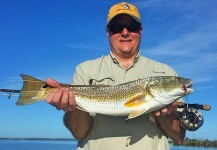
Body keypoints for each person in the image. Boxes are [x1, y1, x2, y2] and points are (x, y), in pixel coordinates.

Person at [45, 2, 186, 150]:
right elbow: (78, 132)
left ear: (141, 30)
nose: (125, 32)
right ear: (108, 32)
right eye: (117, 27)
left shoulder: (166, 72)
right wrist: (70, 104)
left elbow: (178, 137)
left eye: (132, 26)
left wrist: (163, 112)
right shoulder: (85, 70)